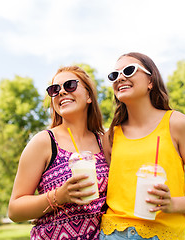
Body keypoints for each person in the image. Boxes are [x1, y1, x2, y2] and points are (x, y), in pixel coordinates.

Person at [100, 52, 185, 240]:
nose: (120, 78)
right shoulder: (110, 136)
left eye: (129, 71)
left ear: (150, 81)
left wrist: (172, 204)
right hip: (113, 234)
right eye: (114, 75)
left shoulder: (177, 123)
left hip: (162, 235)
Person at [8, 65, 109, 240]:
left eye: (70, 85)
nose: (61, 92)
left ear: (89, 96)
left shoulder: (105, 142)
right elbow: (14, 210)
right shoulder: (44, 142)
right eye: (54, 90)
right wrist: (59, 196)